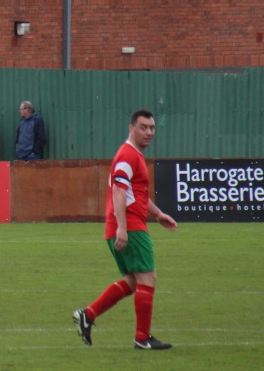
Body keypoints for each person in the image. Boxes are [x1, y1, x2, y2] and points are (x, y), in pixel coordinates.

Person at [73, 109, 178, 351]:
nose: (149, 132)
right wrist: (123, 227)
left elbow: (135, 193)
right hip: (130, 227)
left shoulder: (133, 155)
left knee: (133, 281)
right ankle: (142, 338)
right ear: (131, 128)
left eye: (152, 128)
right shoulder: (128, 155)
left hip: (124, 226)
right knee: (148, 278)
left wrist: (158, 214)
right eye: (143, 127)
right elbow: (119, 192)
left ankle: (88, 314)